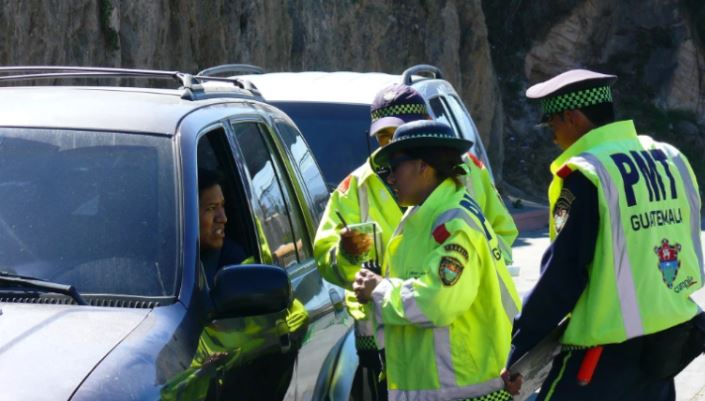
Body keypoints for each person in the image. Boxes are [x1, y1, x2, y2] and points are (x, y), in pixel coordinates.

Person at [506, 69, 705, 401]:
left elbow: (563, 276)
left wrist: (520, 347)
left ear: (572, 117)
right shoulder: (670, 159)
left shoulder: (589, 173)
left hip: (600, 358)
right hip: (664, 349)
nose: (554, 137)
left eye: (553, 125)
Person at [353, 120, 521, 401]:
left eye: (395, 167)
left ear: (423, 165)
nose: (390, 178)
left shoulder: (454, 222)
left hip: (462, 392)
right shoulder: (428, 214)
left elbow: (436, 302)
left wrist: (380, 290)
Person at [198, 169, 247, 286]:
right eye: (211, 208)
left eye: (222, 206)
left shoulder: (234, 262)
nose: (223, 218)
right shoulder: (160, 262)